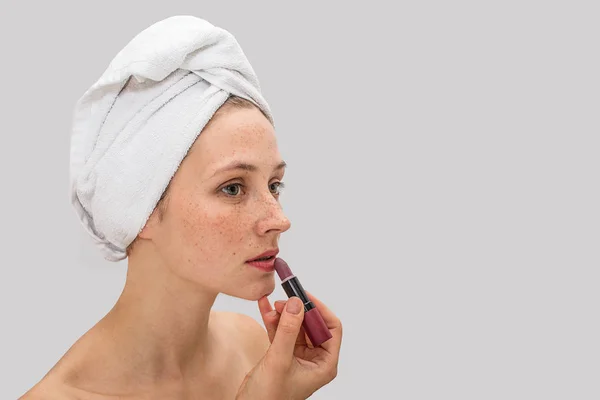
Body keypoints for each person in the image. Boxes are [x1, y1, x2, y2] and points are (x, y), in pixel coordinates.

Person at [20, 15, 342, 400]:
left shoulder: (254, 349)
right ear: (139, 209)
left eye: (274, 185)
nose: (279, 219)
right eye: (233, 188)